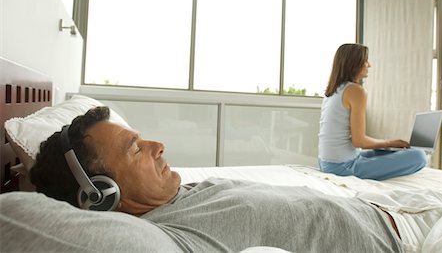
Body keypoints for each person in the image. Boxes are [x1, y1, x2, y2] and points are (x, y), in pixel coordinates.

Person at [30, 106, 403, 253]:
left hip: (387, 211)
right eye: (135, 149)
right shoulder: (168, 238)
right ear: (101, 195)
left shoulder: (172, 197)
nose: (158, 146)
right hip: (401, 238)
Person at [318, 43, 427, 180]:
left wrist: (389, 146)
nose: (369, 65)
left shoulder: (333, 90)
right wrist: (390, 142)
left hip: (326, 162)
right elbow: (359, 141)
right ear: (354, 63)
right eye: (365, 61)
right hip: (342, 167)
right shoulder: (356, 91)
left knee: (389, 152)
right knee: (419, 156)